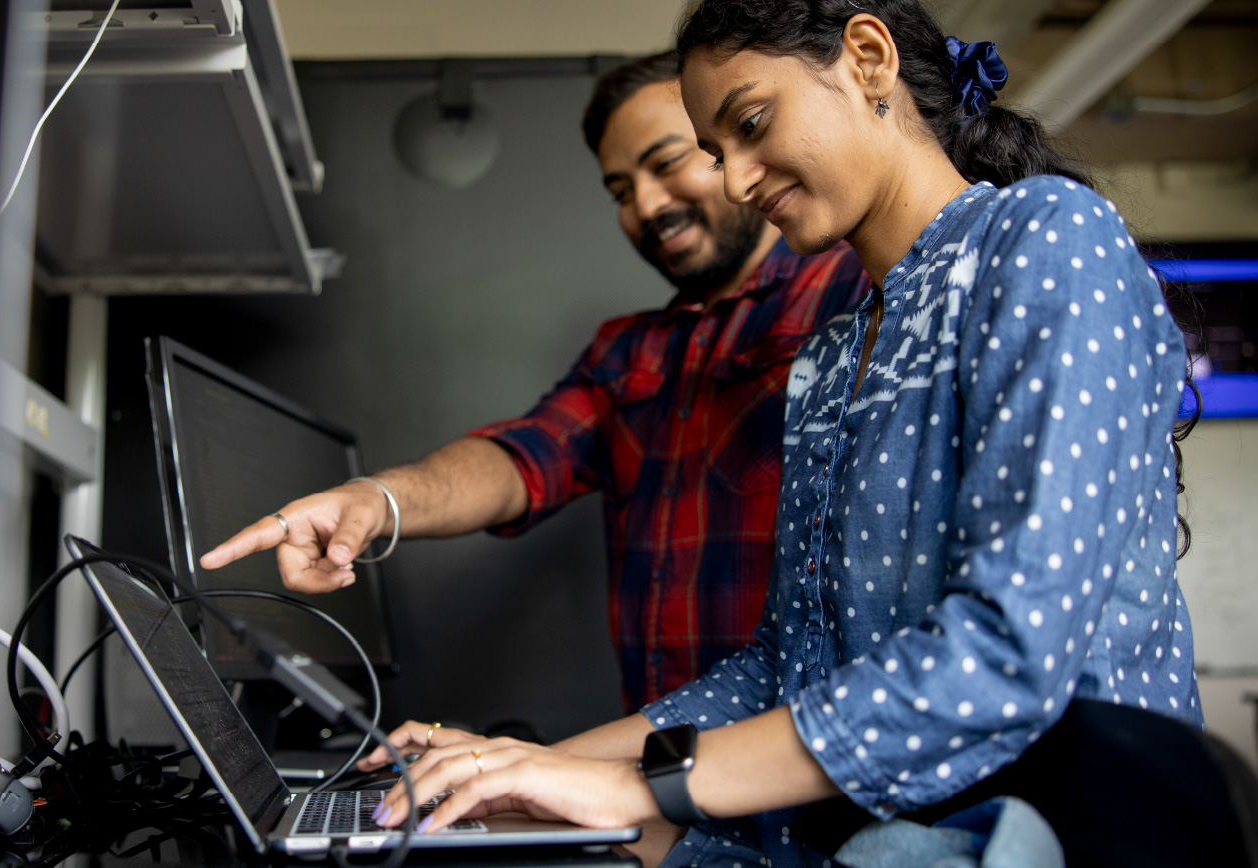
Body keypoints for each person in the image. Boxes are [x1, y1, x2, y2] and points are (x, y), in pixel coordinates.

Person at [357, 0, 1201, 864]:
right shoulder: (835, 354)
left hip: (1064, 824)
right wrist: (525, 767)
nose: (742, 179)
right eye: (720, 152)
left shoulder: (1047, 236)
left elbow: (1006, 652)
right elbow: (781, 665)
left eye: (751, 125)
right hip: (873, 835)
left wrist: (636, 785)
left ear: (868, 60)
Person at [201, 53, 870, 710]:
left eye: (665, 163)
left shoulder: (853, 285)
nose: (645, 204)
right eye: (619, 190)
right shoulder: (630, 351)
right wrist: (376, 500)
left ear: (731, 147)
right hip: (667, 771)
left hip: (823, 762)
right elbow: (522, 459)